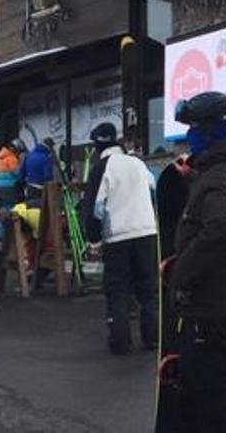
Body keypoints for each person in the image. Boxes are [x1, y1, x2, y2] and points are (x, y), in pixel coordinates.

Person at [159, 92, 226, 433]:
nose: (189, 135)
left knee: (215, 391)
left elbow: (219, 231)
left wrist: (180, 272)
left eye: (194, 127)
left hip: (213, 299)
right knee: (214, 382)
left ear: (210, 131)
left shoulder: (217, 178)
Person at [82, 122, 159, 355]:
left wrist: (94, 239)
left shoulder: (101, 168)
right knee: (148, 288)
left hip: (118, 237)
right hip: (146, 231)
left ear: (97, 146)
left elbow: (94, 207)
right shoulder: (138, 164)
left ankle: (120, 341)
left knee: (118, 289)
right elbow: (153, 191)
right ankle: (153, 337)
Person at [0, 138, 27, 209]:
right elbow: (19, 175)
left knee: (5, 206)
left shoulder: (0, 158)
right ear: (16, 149)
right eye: (19, 151)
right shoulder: (11, 159)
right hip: (10, 188)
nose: (19, 154)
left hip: (0, 187)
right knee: (13, 208)